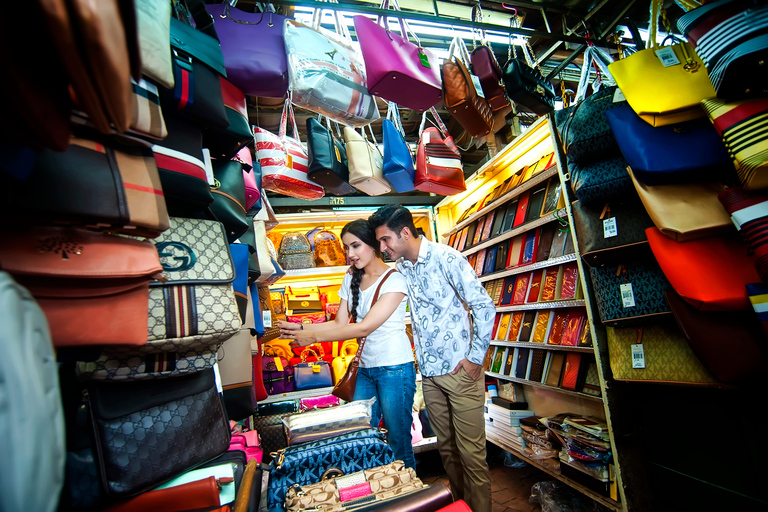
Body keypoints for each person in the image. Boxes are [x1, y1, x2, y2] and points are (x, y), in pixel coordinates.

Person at [369, 205, 494, 512]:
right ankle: (463, 507)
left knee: (471, 454)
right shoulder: (402, 270)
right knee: (448, 451)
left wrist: (475, 358)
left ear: (405, 233)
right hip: (431, 377)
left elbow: (484, 306)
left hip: (461, 373)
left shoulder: (446, 257)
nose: (383, 248)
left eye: (385, 240)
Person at [277, 219, 417, 469]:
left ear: (373, 244)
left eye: (356, 246)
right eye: (346, 248)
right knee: (360, 435)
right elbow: (339, 322)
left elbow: (364, 327)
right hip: (362, 369)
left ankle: (407, 499)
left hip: (394, 368)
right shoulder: (351, 275)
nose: (350, 254)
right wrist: (300, 328)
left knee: (398, 441)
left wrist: (313, 337)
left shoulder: (395, 279)